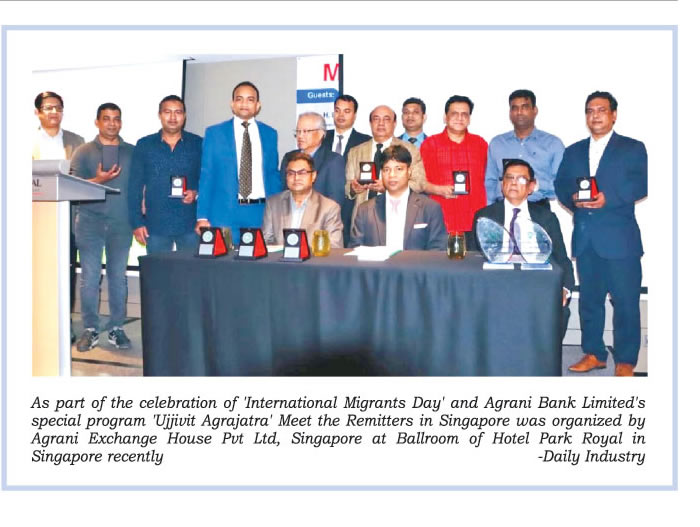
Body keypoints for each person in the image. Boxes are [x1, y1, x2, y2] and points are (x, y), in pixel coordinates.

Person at [555, 91, 647, 376]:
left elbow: (643, 183)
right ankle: (594, 353)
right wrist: (572, 198)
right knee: (590, 302)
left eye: (601, 110)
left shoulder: (632, 148)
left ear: (614, 115)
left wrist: (611, 197)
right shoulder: (573, 151)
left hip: (621, 241)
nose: (595, 115)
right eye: (590, 110)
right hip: (586, 240)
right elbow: (561, 184)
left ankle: (626, 361)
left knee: (626, 303)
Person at [469, 160, 574, 340]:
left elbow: (561, 258)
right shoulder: (485, 216)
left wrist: (565, 289)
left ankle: (543, 357)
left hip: (535, 280)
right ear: (502, 184)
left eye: (521, 179)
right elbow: (473, 258)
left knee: (559, 309)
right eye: (509, 178)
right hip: (495, 281)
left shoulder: (546, 217)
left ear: (531, 186)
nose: (513, 183)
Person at [71, 103, 134, 351]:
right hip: (89, 223)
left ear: (121, 122)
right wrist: (99, 180)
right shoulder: (83, 151)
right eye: (106, 118)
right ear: (97, 122)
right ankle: (90, 329)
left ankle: (117, 327)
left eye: (116, 118)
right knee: (89, 278)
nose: (112, 123)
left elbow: (139, 185)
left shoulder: (132, 152)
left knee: (118, 278)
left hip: (122, 223)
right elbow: (73, 187)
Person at [196, 81, 280, 244]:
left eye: (250, 99)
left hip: (259, 212)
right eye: (239, 99)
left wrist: (277, 211)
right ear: (232, 104)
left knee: (257, 258)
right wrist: (202, 216)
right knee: (223, 258)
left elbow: (272, 174)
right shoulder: (215, 133)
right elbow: (207, 176)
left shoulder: (270, 134)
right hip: (224, 213)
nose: (244, 104)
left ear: (258, 105)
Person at [32, 91, 85, 343]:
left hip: (67, 219)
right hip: (34, 220)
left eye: (58, 107)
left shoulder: (77, 141)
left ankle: (65, 323)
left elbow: (81, 178)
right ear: (37, 112)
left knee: (66, 273)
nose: (54, 112)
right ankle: (36, 322)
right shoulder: (22, 141)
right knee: (35, 272)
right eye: (48, 107)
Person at [128, 95, 201, 254]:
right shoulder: (144, 145)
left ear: (184, 116)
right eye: (168, 112)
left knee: (192, 269)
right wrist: (136, 223)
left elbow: (207, 180)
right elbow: (134, 186)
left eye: (178, 112)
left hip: (190, 224)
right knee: (157, 269)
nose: (173, 117)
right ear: (159, 115)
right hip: (155, 224)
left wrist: (196, 193)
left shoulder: (198, 143)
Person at [349, 145, 446, 251]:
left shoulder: (430, 208)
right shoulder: (365, 210)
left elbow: (438, 250)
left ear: (409, 172)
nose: (392, 175)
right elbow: (355, 249)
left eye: (398, 169)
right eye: (386, 170)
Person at [420, 95, 487, 237]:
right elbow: (418, 181)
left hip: (474, 220)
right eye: (454, 114)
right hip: (441, 219)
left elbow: (489, 179)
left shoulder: (480, 144)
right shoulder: (430, 144)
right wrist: (437, 189)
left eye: (464, 114)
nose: (459, 118)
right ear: (445, 117)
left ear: (469, 118)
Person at [485, 89, 565, 207]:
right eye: (515, 108)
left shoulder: (553, 144)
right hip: (501, 208)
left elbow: (561, 183)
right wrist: (490, 210)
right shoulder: (497, 143)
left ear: (535, 110)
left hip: (537, 208)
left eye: (525, 107)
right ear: (510, 112)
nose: (519, 112)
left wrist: (535, 185)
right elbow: (490, 182)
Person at [346, 105, 429, 213]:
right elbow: (347, 185)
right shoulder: (355, 152)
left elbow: (419, 183)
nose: (381, 123)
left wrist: (389, 186)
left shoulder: (410, 149)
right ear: (370, 123)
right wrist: (353, 188)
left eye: (386, 119)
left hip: (397, 213)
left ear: (394, 123)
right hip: (362, 214)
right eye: (376, 119)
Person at [263, 152, 343, 248]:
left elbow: (334, 247)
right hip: (280, 257)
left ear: (313, 176)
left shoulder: (329, 208)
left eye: (302, 173)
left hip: (313, 258)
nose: (296, 178)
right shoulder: (273, 204)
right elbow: (266, 242)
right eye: (291, 173)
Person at [279, 112, 345, 207]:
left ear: (321, 134)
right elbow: (283, 194)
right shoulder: (289, 158)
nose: (300, 136)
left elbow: (335, 201)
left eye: (305, 131)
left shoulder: (333, 161)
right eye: (298, 131)